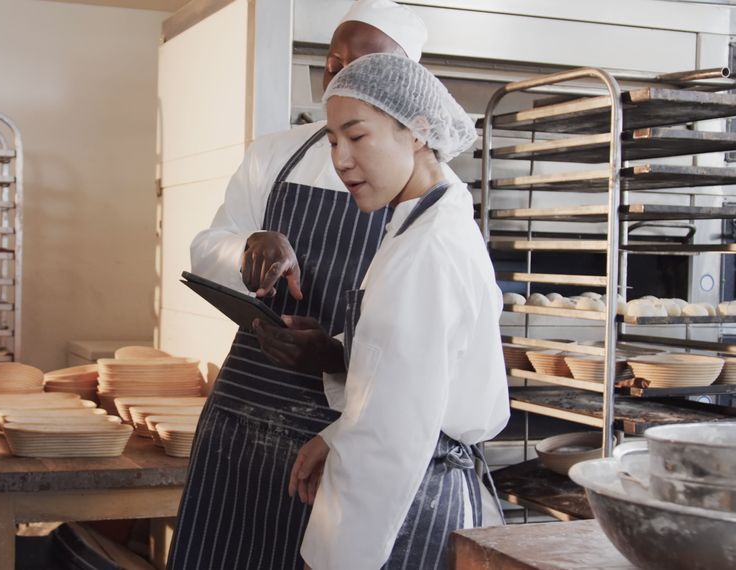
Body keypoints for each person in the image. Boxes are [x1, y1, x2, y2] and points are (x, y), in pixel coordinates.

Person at [171, 2, 441, 569]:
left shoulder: (427, 194)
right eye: (333, 61)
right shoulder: (274, 153)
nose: (340, 77)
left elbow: (418, 354)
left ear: (406, 87)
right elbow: (205, 245)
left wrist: (335, 356)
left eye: (363, 63)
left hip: (337, 431)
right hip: (244, 413)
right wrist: (249, 247)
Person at [286, 53, 510, 570]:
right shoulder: (421, 218)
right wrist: (335, 434)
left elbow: (394, 433)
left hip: (405, 503)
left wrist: (338, 555)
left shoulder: (428, 247)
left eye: (356, 136)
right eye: (332, 140)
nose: (341, 160)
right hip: (418, 482)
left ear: (417, 130)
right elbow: (407, 381)